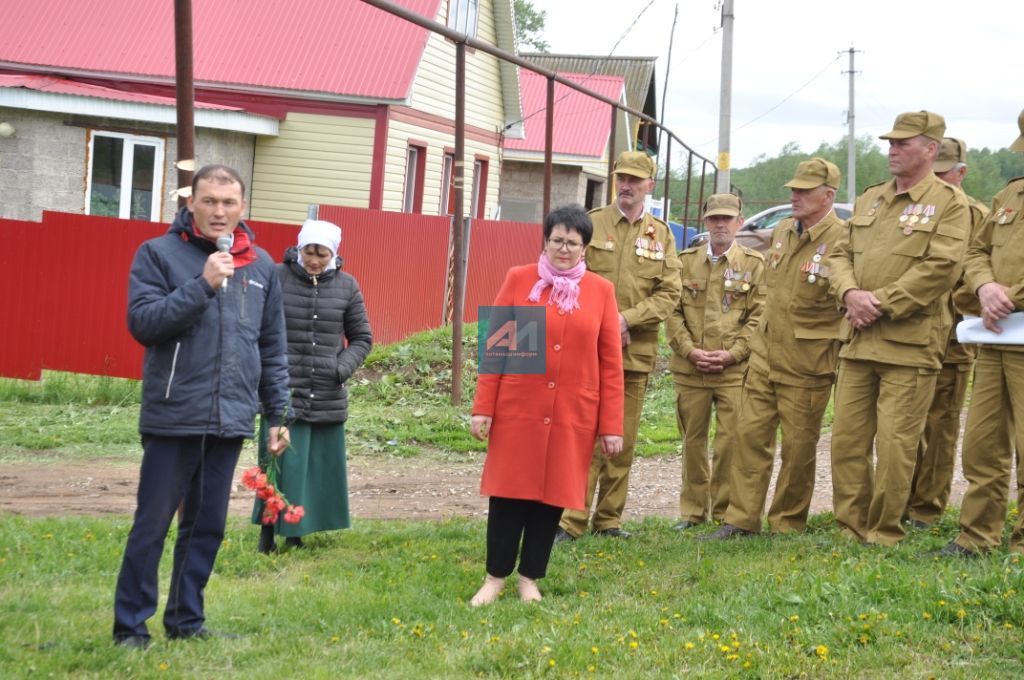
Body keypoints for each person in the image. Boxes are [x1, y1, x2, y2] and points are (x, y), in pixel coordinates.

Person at [113, 165, 290, 648]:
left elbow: (272, 346)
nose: (219, 211)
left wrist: (277, 414)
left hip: (230, 417)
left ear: (243, 208)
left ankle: (186, 621)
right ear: (191, 202)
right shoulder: (158, 254)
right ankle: (130, 627)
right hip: (174, 415)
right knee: (152, 525)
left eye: (229, 203)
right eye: (209, 201)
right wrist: (202, 284)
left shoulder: (260, 267)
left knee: (206, 527)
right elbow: (144, 323)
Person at [469, 205, 624, 605]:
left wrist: (611, 425)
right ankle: (494, 578)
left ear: (585, 247)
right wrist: (483, 407)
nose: (565, 249)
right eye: (558, 240)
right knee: (508, 495)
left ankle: (529, 579)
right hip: (518, 410)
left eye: (574, 243)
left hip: (573, 413)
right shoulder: (520, 280)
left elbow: (611, 364)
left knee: (550, 499)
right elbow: (498, 350)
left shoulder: (601, 291)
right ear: (546, 240)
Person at [828, 111, 969, 546]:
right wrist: (850, 294)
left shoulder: (951, 203)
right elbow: (838, 254)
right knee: (847, 440)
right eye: (891, 142)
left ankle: (884, 531)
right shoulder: (871, 199)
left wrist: (880, 303)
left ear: (930, 149)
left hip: (910, 343)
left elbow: (942, 267)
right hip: (859, 339)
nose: (892, 149)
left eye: (903, 143)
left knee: (895, 445)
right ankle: (851, 528)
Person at [705, 159, 846, 540]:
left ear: (828, 195)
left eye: (804, 190)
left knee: (799, 449)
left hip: (808, 361)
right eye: (793, 189)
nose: (794, 196)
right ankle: (741, 520)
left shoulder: (843, 238)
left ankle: (787, 522)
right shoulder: (783, 230)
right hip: (766, 354)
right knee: (748, 438)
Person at [555, 151, 681, 542]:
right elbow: (568, 277)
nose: (626, 185)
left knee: (619, 441)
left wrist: (628, 319)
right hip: (587, 353)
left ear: (649, 185)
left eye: (634, 179)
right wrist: (604, 323)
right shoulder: (591, 224)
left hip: (633, 355)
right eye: (621, 178)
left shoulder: (661, 235)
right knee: (581, 438)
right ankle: (569, 522)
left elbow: (670, 291)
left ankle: (609, 520)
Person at [253, 219, 373, 553]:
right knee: (277, 463)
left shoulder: (347, 286)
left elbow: (362, 338)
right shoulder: (277, 276)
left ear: (334, 253)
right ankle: (266, 533)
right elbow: (258, 327)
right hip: (282, 390)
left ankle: (296, 532)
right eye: (309, 251)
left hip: (326, 391)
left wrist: (340, 368)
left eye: (322, 254)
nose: (314, 260)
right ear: (299, 248)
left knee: (311, 468)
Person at [938, 111, 1024, 557]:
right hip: (997, 337)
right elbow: (977, 250)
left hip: (1011, 323)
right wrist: (985, 287)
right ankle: (976, 537)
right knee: (983, 444)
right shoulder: (1009, 194)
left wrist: (1005, 295)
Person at [904, 138, 988, 529]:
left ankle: (927, 507)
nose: (938, 181)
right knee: (904, 422)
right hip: (913, 332)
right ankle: (901, 497)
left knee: (940, 425)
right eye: (934, 173)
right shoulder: (916, 210)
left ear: (961, 172)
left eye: (945, 174)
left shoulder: (978, 216)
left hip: (954, 337)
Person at [667, 193, 764, 530]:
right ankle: (693, 512)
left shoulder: (754, 265)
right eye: (714, 219)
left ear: (739, 222)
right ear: (705, 222)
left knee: (730, 442)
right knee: (692, 442)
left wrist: (734, 353)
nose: (720, 225)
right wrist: (689, 350)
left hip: (734, 372)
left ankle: (724, 512)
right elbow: (672, 310)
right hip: (690, 369)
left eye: (727, 218)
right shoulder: (683, 262)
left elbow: (759, 317)